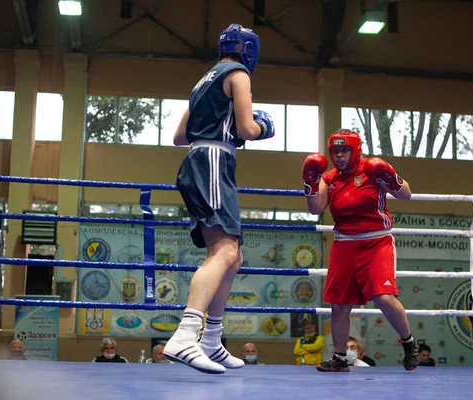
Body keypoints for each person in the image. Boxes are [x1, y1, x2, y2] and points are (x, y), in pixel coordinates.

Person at [163, 23, 275, 375]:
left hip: (200, 160)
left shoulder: (203, 81)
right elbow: (245, 129)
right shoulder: (238, 74)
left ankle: (211, 340)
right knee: (224, 251)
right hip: (213, 161)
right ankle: (185, 335)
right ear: (249, 50)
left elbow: (180, 136)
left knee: (233, 256)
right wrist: (263, 127)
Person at [301, 129, 419, 373]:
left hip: (376, 242)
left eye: (345, 150)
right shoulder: (330, 177)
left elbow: (406, 195)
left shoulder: (372, 169)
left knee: (384, 297)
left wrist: (392, 176)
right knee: (339, 305)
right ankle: (340, 358)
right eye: (335, 151)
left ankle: (409, 344)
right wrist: (311, 183)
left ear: (356, 150)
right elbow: (316, 209)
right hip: (344, 244)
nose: (339, 155)